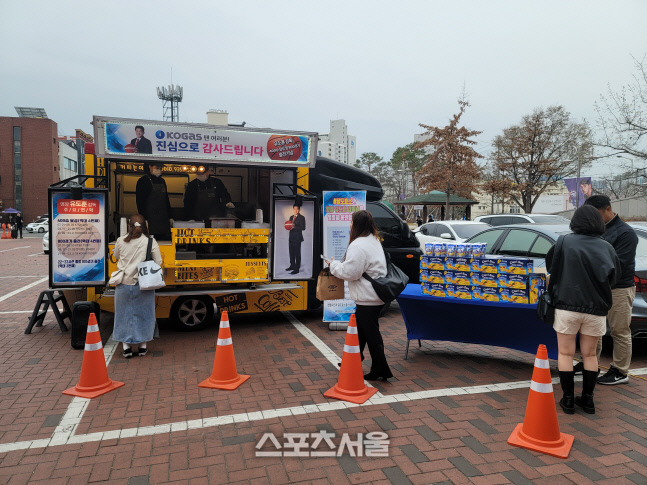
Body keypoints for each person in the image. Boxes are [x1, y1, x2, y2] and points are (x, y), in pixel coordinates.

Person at [546, 205, 620, 414]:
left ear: (575, 222)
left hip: (567, 305)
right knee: (590, 355)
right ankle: (588, 400)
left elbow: (552, 267)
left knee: (565, 353)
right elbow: (614, 279)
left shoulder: (564, 242)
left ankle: (568, 399)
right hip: (596, 308)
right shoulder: (607, 248)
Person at [328, 210, 393, 381]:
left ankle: (381, 369)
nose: (349, 225)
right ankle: (354, 358)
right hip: (374, 294)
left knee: (371, 334)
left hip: (367, 297)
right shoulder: (373, 240)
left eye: (351, 222)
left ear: (357, 224)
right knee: (360, 330)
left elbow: (351, 272)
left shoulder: (358, 245)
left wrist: (333, 265)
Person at [582, 195, 638, 385]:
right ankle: (591, 364)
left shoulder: (625, 233)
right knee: (593, 329)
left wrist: (592, 269)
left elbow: (618, 265)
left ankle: (620, 371)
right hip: (597, 287)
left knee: (619, 330)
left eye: (597, 214)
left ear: (608, 209)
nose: (594, 219)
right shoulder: (595, 230)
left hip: (619, 288)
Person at [113, 214, 163, 358]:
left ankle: (126, 347)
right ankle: (142, 347)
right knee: (144, 315)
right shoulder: (150, 241)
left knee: (123, 316)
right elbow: (158, 262)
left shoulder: (120, 241)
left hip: (123, 283)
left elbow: (116, 256)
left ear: (129, 226)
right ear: (145, 226)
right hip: (144, 283)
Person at [136, 163, 172, 240]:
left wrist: (170, 217)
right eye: (157, 167)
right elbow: (140, 202)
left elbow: (166, 200)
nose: (159, 169)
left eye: (160, 168)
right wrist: (144, 219)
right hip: (150, 220)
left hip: (163, 220)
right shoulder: (143, 181)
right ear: (149, 166)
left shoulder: (162, 181)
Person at [286, 204, 306, 275]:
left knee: (297, 253)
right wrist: (288, 226)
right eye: (294, 209)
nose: (295, 210)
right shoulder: (291, 217)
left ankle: (297, 269)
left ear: (299, 210)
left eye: (297, 209)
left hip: (297, 238)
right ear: (293, 209)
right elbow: (289, 226)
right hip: (291, 237)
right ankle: (292, 266)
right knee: (291, 252)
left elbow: (303, 228)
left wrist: (295, 227)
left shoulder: (302, 218)